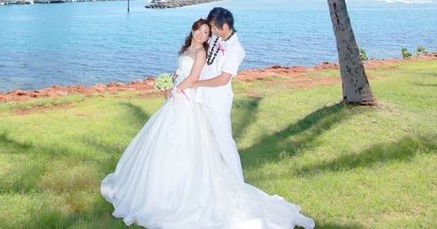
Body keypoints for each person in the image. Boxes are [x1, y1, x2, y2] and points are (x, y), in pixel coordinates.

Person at [100, 18, 314, 229]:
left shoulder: (201, 52)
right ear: (192, 30)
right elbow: (180, 72)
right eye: (199, 30)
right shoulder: (188, 48)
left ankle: (182, 195)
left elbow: (193, 78)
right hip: (177, 95)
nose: (202, 35)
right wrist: (169, 82)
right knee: (162, 143)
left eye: (206, 32)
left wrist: (175, 91)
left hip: (186, 100)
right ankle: (156, 189)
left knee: (182, 142)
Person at [193, 7, 246, 181]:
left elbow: (223, 79)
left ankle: (237, 182)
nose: (212, 30)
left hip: (217, 101)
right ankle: (215, 179)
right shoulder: (217, 37)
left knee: (224, 142)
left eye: (215, 27)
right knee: (208, 140)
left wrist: (196, 83)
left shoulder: (235, 49)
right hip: (201, 97)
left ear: (225, 26)